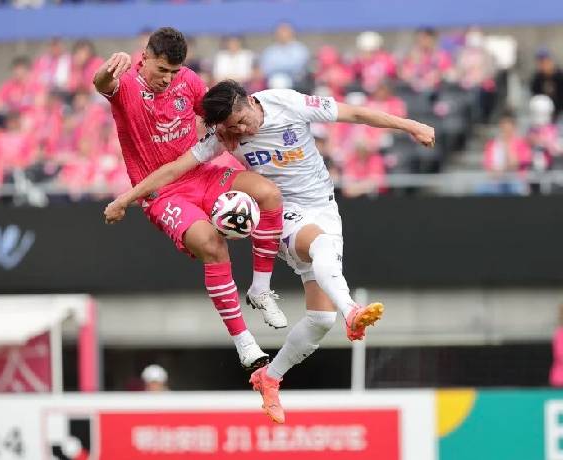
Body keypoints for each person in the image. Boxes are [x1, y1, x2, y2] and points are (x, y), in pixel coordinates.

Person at [112, 79, 435, 423]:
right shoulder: (223, 137)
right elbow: (175, 169)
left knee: (320, 321)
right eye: (231, 126)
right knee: (320, 245)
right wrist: (126, 199)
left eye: (241, 119)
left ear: (250, 101)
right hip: (279, 213)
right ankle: (352, 310)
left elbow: (353, 113)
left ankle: (270, 377)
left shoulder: (288, 103)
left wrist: (411, 126)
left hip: (324, 206)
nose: (240, 129)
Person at [94, 27, 286, 371]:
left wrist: (233, 129)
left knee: (268, 193)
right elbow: (101, 84)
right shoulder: (124, 85)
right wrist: (108, 70)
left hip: (202, 173)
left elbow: (216, 115)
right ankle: (244, 342)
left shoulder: (189, 80)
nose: (167, 79)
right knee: (211, 243)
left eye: (173, 71)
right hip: (161, 191)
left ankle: (260, 288)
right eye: (161, 70)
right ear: (145, 57)